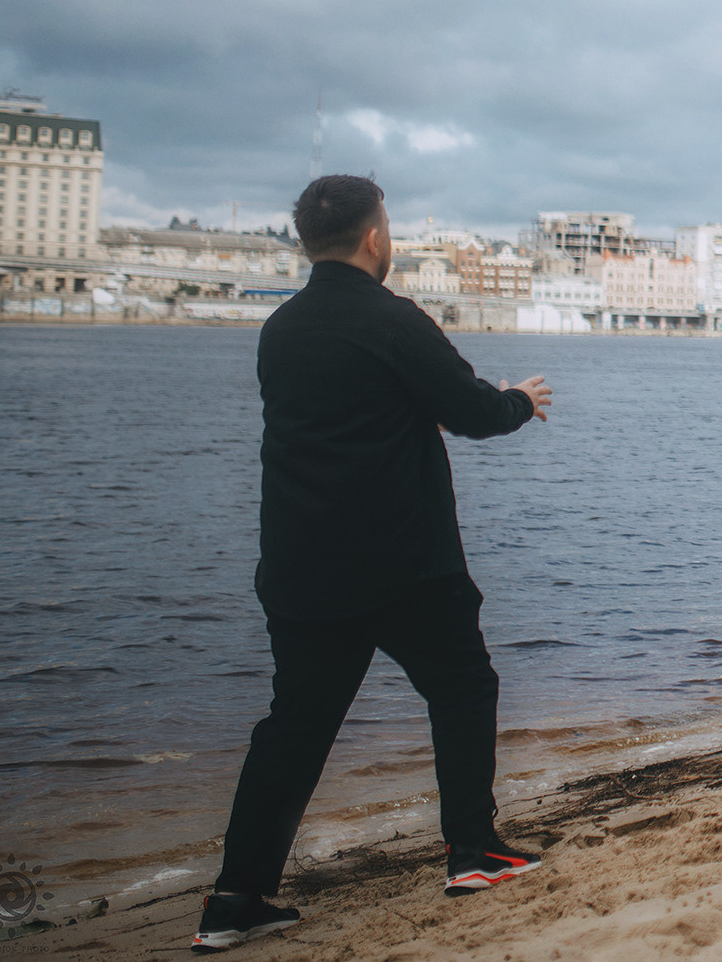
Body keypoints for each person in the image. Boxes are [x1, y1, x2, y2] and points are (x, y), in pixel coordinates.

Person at [192, 176, 553, 954]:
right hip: (403, 563)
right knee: (462, 686)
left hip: (301, 569)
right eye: (387, 228)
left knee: (293, 728)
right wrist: (520, 397)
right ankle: (473, 851)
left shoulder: (280, 330)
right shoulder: (392, 320)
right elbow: (473, 411)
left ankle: (234, 898)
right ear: (375, 239)